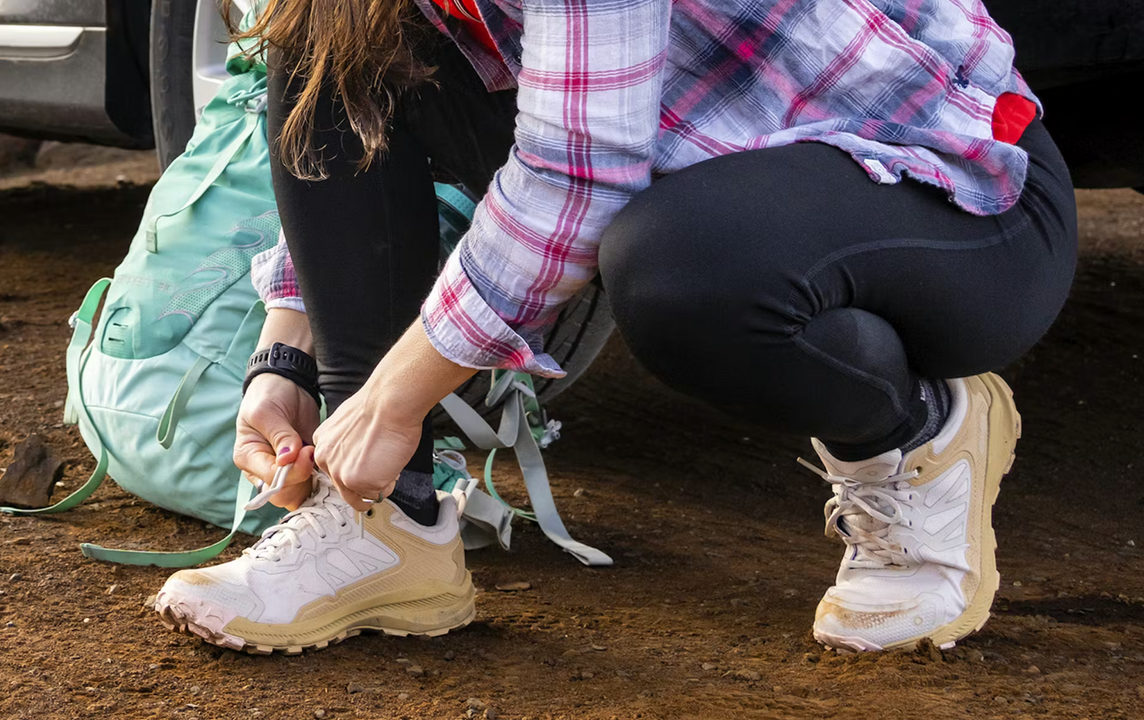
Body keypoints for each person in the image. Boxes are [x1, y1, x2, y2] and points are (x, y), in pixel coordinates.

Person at [153, 0, 1076, 654]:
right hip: (708, 156)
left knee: (681, 272)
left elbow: (577, 177)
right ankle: (382, 524)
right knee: (325, 40)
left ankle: (914, 435)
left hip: (958, 193)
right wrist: (289, 356)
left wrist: (392, 402)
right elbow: (338, 127)